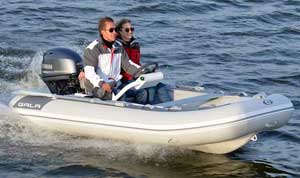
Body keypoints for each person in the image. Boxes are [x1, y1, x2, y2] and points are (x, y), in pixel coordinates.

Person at [82, 17, 146, 102]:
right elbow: (89, 73)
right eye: (111, 30)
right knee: (120, 96)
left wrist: (144, 71)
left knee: (142, 93)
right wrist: (102, 84)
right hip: (97, 87)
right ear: (103, 32)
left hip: (115, 85)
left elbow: (129, 66)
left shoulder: (119, 47)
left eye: (115, 29)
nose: (115, 32)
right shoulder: (93, 49)